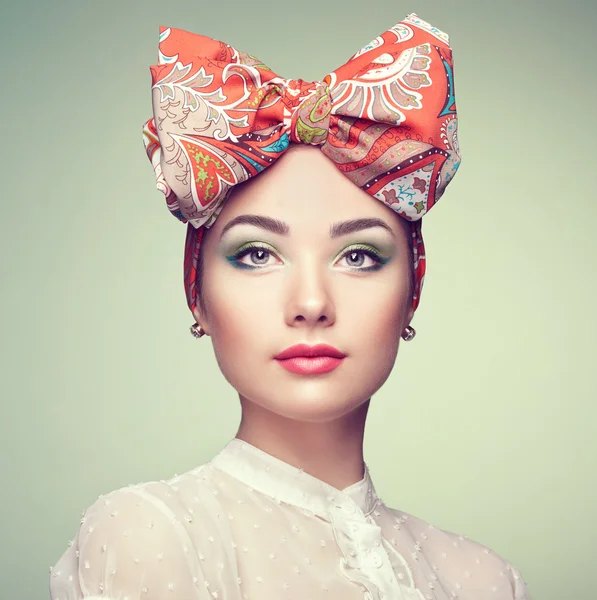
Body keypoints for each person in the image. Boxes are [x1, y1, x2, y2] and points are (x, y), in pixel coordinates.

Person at [49, 13, 531, 600]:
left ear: (413, 292)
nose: (310, 303)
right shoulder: (147, 535)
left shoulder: (484, 579)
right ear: (195, 294)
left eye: (358, 256)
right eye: (256, 254)